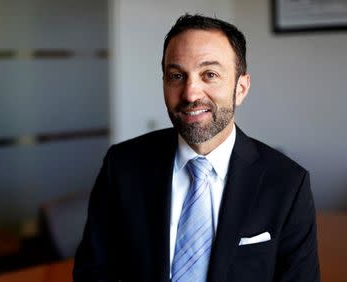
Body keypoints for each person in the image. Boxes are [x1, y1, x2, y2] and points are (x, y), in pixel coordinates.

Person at [73, 14, 320, 282]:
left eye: (210, 74)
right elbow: (93, 272)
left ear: (241, 87)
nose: (191, 93)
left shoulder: (287, 183)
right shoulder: (121, 165)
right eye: (177, 75)